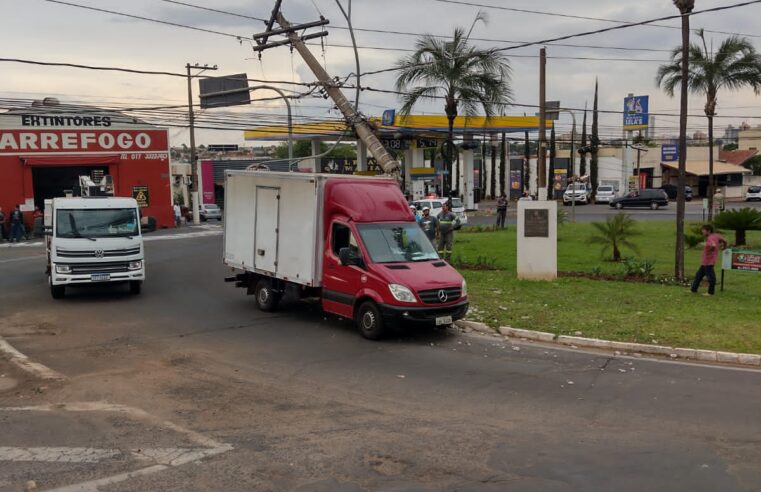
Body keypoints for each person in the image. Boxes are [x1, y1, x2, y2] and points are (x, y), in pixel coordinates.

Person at [691, 224, 727, 296]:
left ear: (708, 231)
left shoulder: (710, 238)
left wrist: (707, 246)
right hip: (706, 261)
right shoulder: (716, 235)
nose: (702, 232)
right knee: (698, 276)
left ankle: (710, 292)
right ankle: (693, 290)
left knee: (711, 278)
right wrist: (724, 247)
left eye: (703, 231)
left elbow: (712, 245)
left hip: (708, 262)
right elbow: (725, 240)